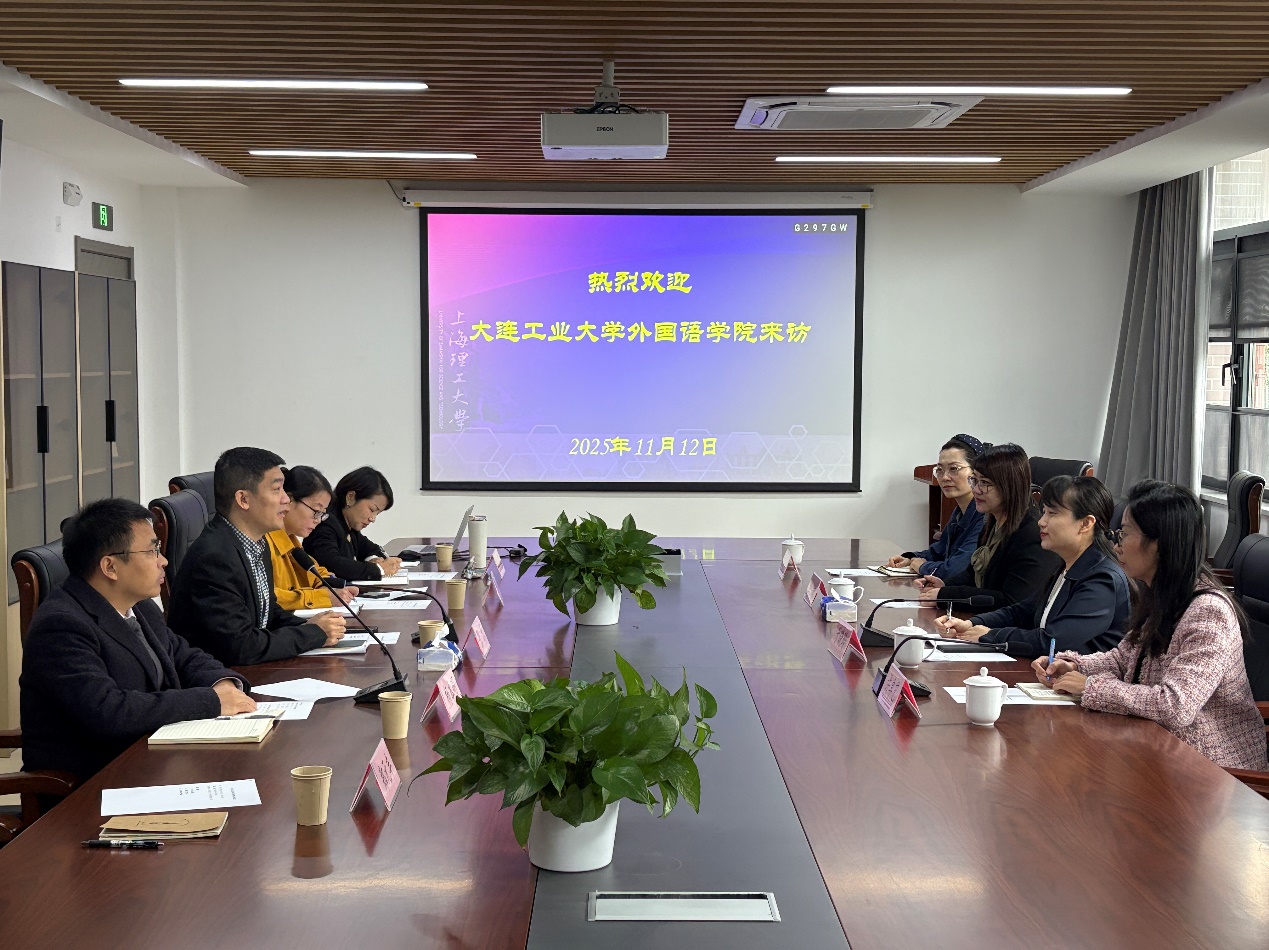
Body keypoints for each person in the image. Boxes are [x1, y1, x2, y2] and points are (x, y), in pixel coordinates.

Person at [1034, 481, 1267, 770]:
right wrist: (1075, 666)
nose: (1116, 543)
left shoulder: (1208, 612)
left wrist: (1091, 687)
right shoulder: (1160, 593)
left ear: (1159, 544)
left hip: (1210, 769)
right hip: (1155, 748)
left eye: (1124, 533)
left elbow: (1176, 705)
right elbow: (1124, 659)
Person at [20, 499, 256, 782]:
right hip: (95, 784)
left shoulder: (140, 606)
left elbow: (183, 655)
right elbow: (109, 712)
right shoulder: (61, 627)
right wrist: (211, 701)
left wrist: (223, 684)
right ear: (110, 566)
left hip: (153, 761)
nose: (163, 560)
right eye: (152, 550)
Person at [168, 447, 346, 665]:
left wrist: (310, 626)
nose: (286, 500)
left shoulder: (256, 543)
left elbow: (267, 612)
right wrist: (313, 634)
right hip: (224, 676)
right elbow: (241, 647)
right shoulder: (215, 558)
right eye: (277, 489)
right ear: (243, 499)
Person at [935, 475, 1130, 657]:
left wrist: (991, 635)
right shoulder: (1068, 565)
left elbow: (1053, 641)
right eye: (1044, 512)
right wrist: (972, 623)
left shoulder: (1102, 579)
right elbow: (1021, 612)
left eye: (1052, 513)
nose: (1042, 522)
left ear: (1086, 523)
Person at [915, 442, 1060, 611]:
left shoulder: (1032, 534)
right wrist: (944, 584)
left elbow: (1012, 600)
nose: (976, 490)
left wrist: (946, 595)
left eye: (984, 483)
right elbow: (973, 574)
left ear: (1009, 485)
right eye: (974, 480)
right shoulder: (993, 522)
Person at [887, 433, 987, 579]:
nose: (944, 477)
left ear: (976, 472)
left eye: (954, 469)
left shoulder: (985, 515)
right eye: (939, 470)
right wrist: (910, 559)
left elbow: (958, 569)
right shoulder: (960, 511)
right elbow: (939, 551)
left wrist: (922, 566)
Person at [267, 465, 359, 611]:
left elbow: (317, 574)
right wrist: (321, 597)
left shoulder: (292, 542)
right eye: (316, 511)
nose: (318, 520)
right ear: (288, 500)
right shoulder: (262, 543)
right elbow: (266, 597)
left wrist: (330, 585)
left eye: (322, 514)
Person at [304, 466, 404, 582]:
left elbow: (373, 549)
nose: (373, 519)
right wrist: (378, 569)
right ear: (351, 497)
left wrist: (374, 559)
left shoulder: (349, 526)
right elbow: (333, 564)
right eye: (372, 509)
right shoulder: (325, 524)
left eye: (378, 513)